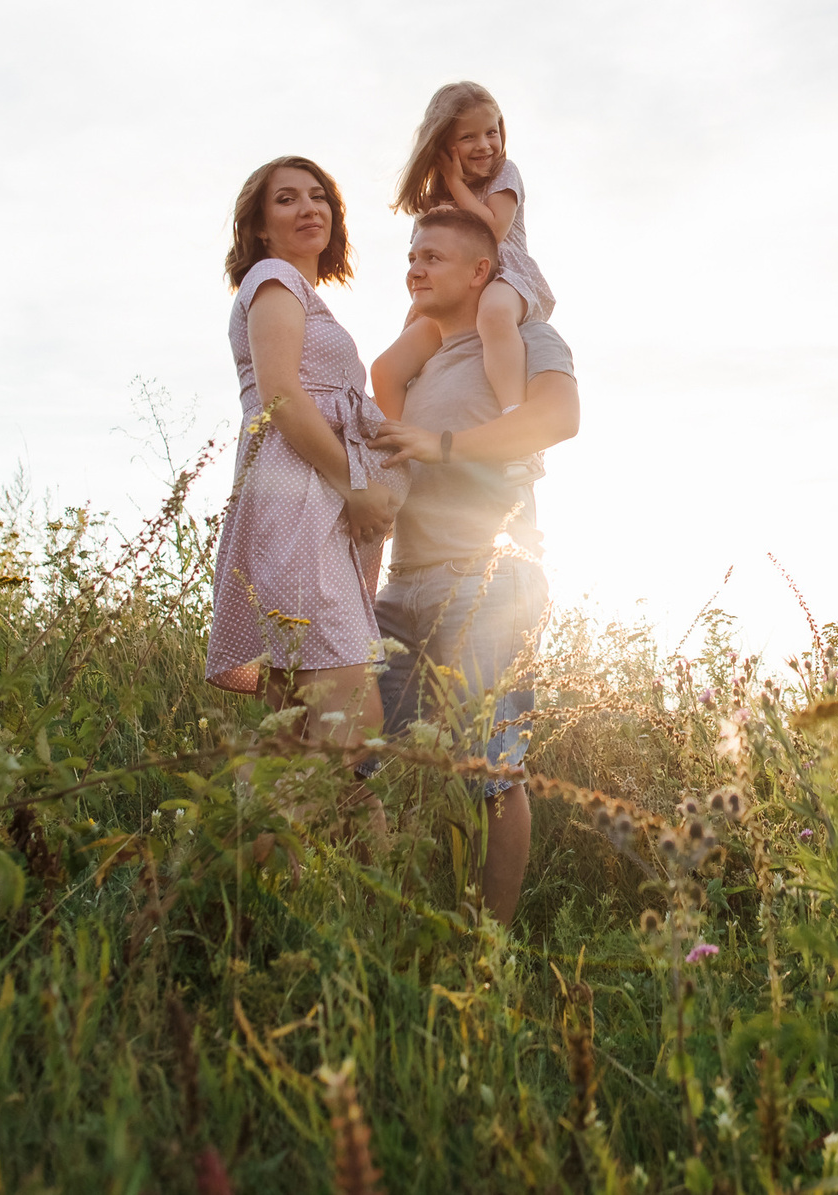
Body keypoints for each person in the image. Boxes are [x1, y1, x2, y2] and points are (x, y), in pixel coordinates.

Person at [370, 206, 580, 924]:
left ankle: (489, 945)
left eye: (432, 257)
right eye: (411, 256)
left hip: (489, 580)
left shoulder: (527, 336)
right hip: (402, 585)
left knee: (490, 769)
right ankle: (397, 920)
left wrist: (444, 445)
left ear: (479, 272)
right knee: (364, 756)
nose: (415, 269)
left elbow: (558, 418)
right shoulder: (419, 362)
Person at [205, 157, 403, 763]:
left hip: (303, 503)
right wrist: (356, 488)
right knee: (354, 723)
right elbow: (283, 398)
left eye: (318, 196)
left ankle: (260, 828)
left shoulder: (300, 293)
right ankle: (350, 825)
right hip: (299, 504)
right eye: (286, 199)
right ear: (259, 227)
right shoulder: (274, 280)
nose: (308, 208)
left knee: (295, 735)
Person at [371, 83, 556, 476]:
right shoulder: (433, 200)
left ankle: (518, 433)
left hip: (506, 279)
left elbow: (494, 229)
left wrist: (456, 185)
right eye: (468, 137)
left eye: (491, 131)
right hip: (456, 296)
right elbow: (425, 260)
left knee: (493, 315)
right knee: (387, 366)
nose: (485, 144)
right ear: (444, 145)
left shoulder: (505, 173)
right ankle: (395, 459)